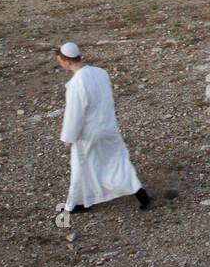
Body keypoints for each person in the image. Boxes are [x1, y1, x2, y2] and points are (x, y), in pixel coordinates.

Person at [57, 42, 152, 214]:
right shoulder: (100, 73)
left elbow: (74, 114)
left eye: (60, 61)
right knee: (117, 161)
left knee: (82, 167)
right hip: (108, 127)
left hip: (88, 133)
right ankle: (140, 194)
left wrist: (68, 137)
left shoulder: (76, 84)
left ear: (67, 61)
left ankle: (77, 204)